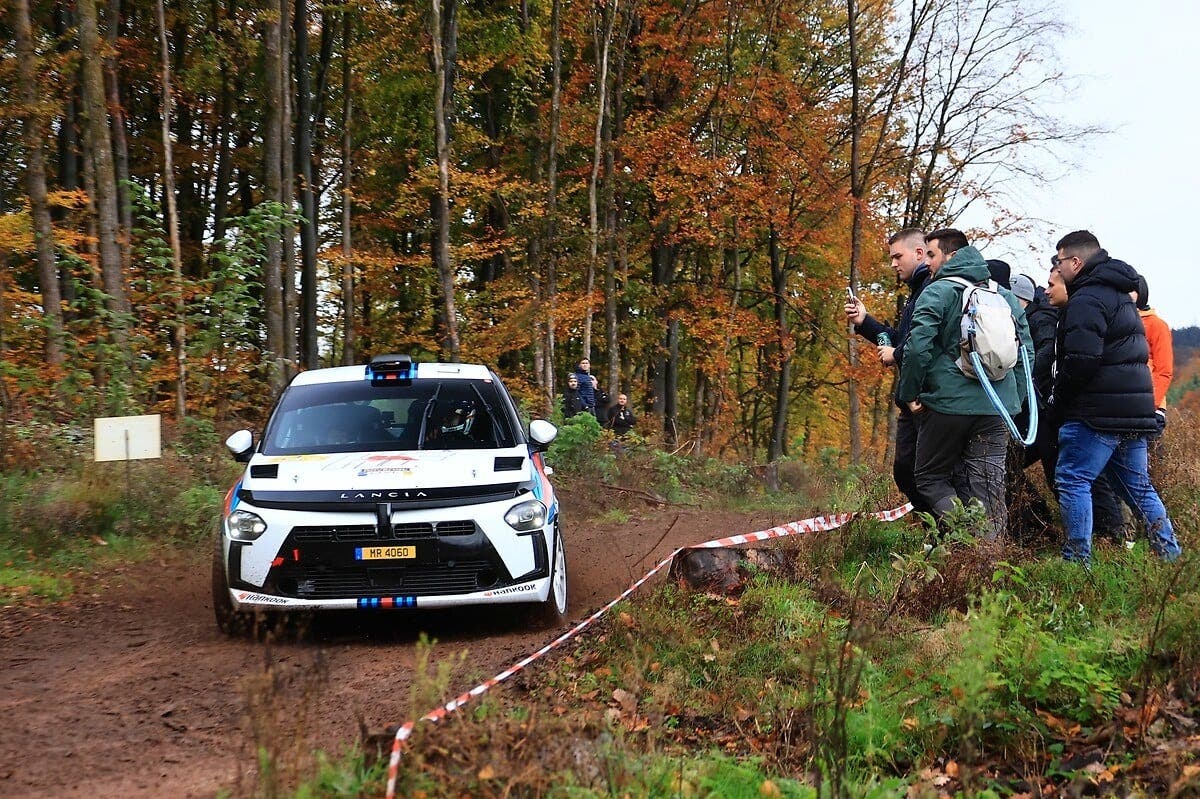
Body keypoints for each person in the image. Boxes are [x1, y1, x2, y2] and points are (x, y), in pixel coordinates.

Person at [1046, 230, 1181, 563]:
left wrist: (1059, 401)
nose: (1056, 269)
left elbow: (1081, 360)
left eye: (1059, 261)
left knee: (1073, 478)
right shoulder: (1120, 295)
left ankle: (1077, 560)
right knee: (1137, 487)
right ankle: (1170, 555)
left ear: (1075, 261)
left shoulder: (1087, 299)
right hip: (1133, 411)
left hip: (1096, 411)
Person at [897, 228, 1033, 539]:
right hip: (997, 408)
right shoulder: (1005, 296)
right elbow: (1027, 351)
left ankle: (967, 539)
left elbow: (918, 348)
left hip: (946, 406)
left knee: (930, 478)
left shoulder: (938, 291)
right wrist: (1015, 401)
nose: (927, 262)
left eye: (931, 254)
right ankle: (988, 558)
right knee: (988, 485)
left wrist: (909, 393)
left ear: (951, 255)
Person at [844, 228, 933, 512]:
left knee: (926, 476)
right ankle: (937, 535)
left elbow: (925, 348)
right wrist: (864, 320)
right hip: (911, 401)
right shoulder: (916, 293)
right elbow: (900, 340)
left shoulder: (932, 292)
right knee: (906, 472)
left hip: (927, 401)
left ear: (919, 253)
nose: (893, 264)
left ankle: (951, 540)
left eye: (897, 256)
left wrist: (897, 354)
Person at [1011, 273, 1060, 488]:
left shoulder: (1041, 319)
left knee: (1057, 476)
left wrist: (1025, 374)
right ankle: (1035, 517)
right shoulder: (1027, 318)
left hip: (1043, 409)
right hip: (1033, 407)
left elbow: (1048, 349)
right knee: (1008, 463)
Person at [1135, 274, 1173, 437]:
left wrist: (1149, 405)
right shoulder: (1117, 322)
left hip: (1150, 411)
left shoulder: (1156, 325)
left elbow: (1164, 371)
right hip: (1123, 410)